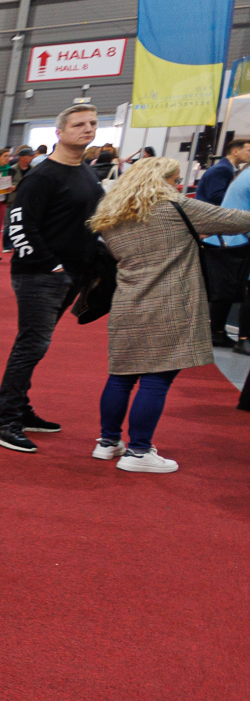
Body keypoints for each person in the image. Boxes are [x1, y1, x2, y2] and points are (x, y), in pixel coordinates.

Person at [85, 158, 250, 472]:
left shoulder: (111, 215)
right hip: (171, 304)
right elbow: (236, 220)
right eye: (174, 180)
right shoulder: (175, 208)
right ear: (162, 180)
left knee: (121, 376)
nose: (178, 186)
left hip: (127, 302)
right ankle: (139, 452)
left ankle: (107, 442)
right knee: (156, 379)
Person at [0, 105, 109, 453]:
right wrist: (50, 265)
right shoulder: (42, 176)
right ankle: (6, 421)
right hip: (40, 275)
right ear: (59, 132)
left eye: (92, 123)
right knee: (32, 344)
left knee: (37, 344)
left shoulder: (87, 172)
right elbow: (20, 225)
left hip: (72, 274)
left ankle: (20, 410)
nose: (87, 129)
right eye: (79, 124)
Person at [211, 153, 250, 351]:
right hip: (238, 238)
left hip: (230, 238)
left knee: (227, 290)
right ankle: (245, 339)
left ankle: (217, 332)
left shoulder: (246, 172)